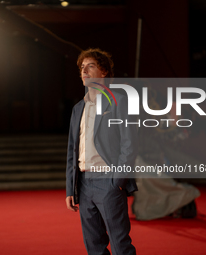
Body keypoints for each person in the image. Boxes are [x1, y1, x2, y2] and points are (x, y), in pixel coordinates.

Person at [65, 48, 138, 255]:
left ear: (104, 72)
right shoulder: (78, 108)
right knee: (94, 247)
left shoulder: (119, 102)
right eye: (81, 68)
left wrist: (117, 181)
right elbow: (72, 149)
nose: (84, 71)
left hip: (109, 181)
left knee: (120, 245)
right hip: (84, 183)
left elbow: (129, 143)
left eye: (90, 66)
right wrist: (71, 188)